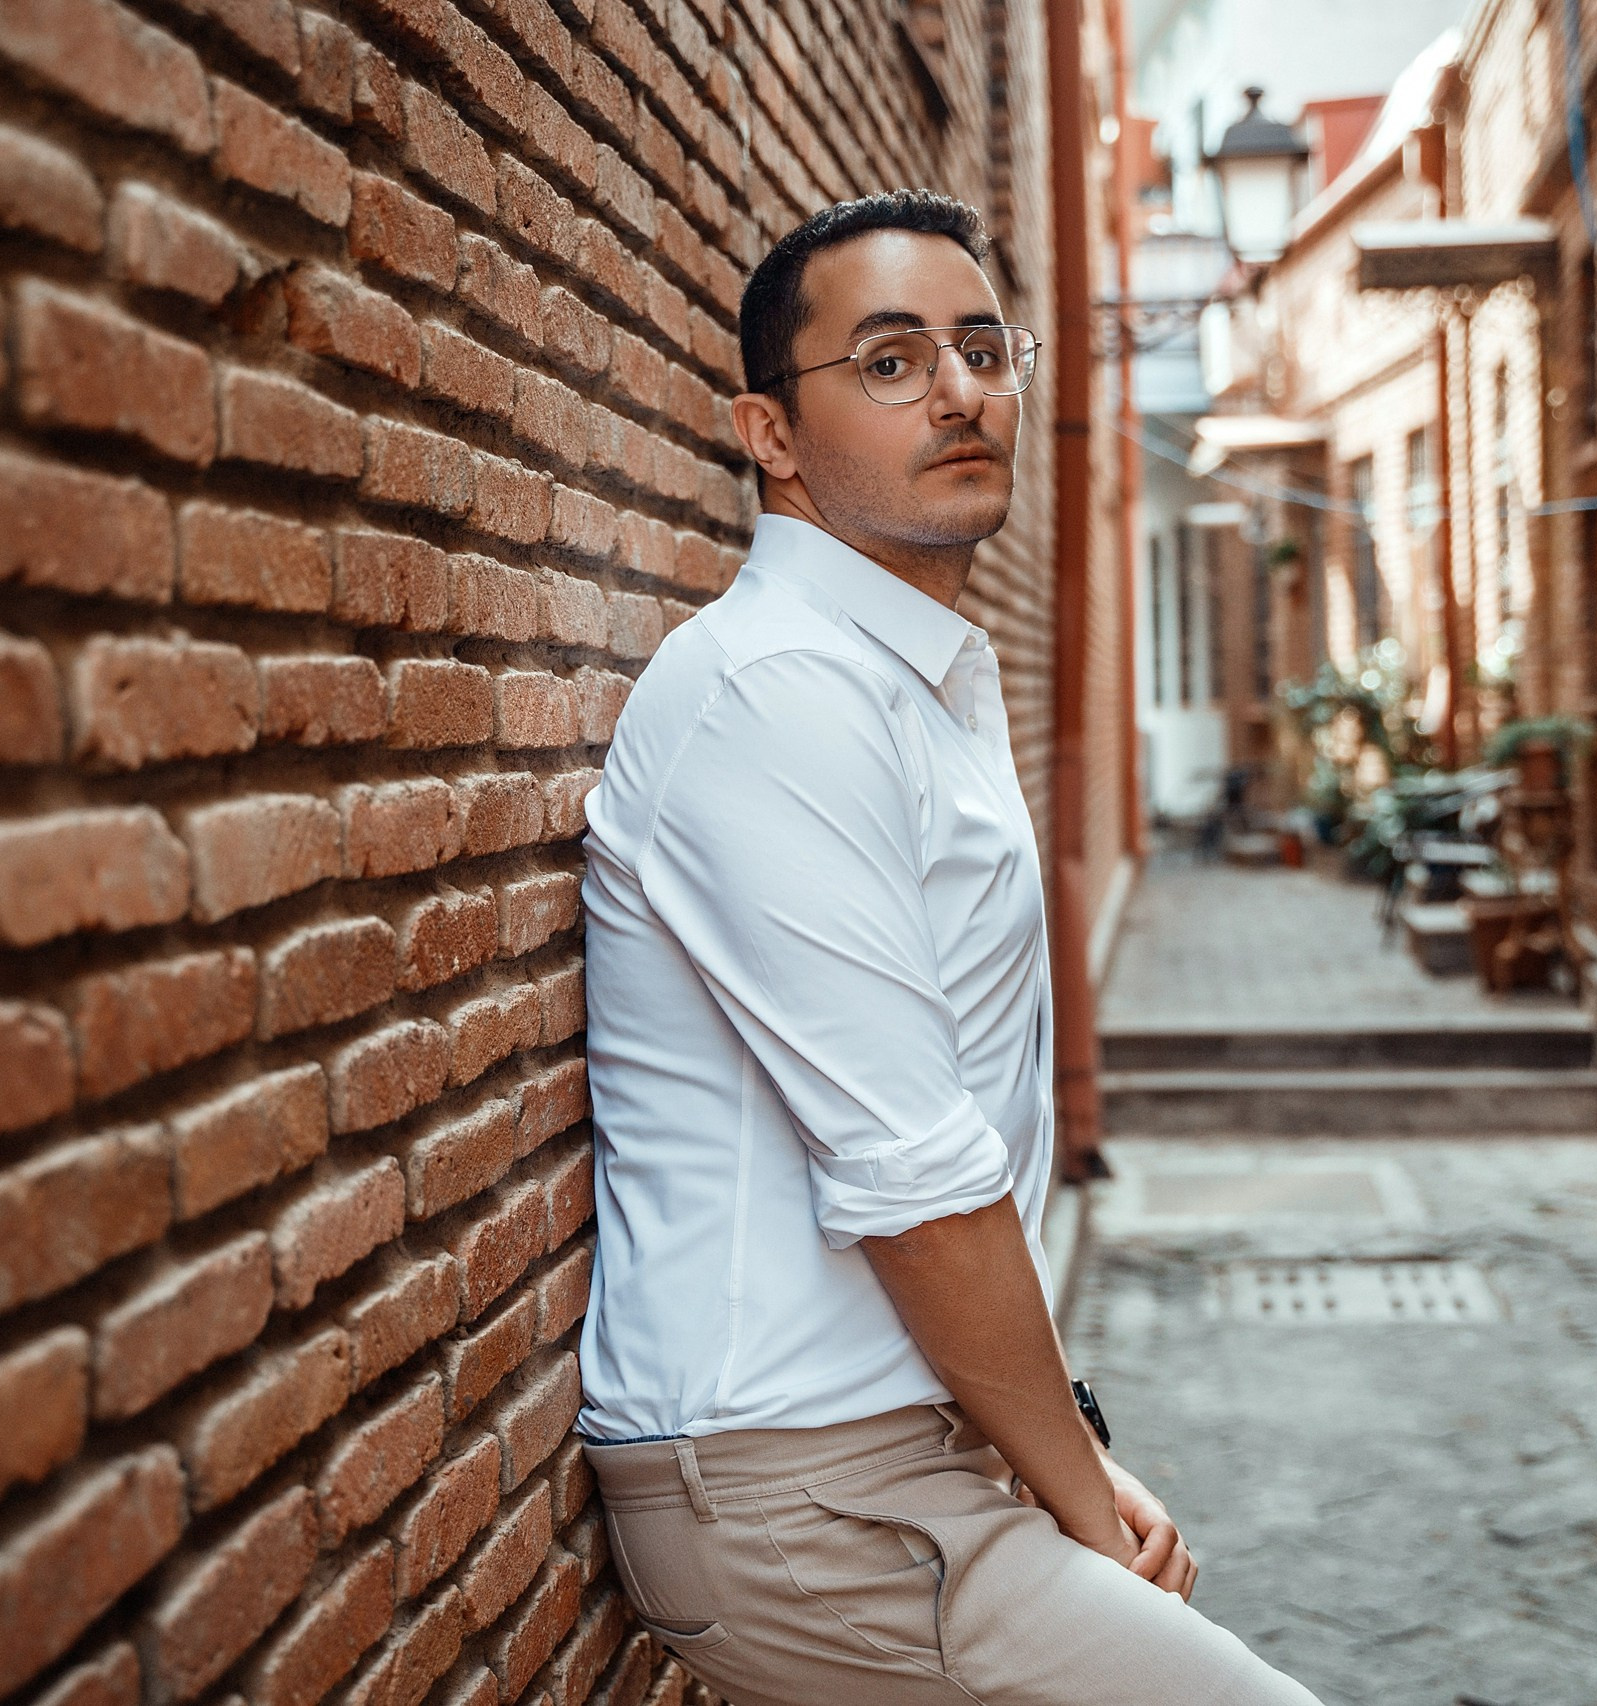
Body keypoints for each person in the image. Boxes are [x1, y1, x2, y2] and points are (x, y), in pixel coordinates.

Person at [574, 189, 1325, 1706]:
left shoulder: (908, 678)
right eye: (893, 360)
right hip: (799, 1494)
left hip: (895, 1455)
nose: (962, 389)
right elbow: (921, 1182)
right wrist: (1074, 1495)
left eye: (984, 348)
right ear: (770, 432)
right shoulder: (779, 694)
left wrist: (1068, 1445)